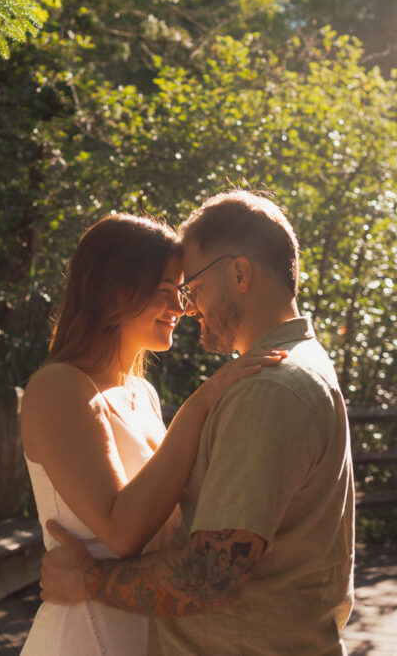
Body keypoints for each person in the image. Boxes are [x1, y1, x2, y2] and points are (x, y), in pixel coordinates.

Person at [39, 191, 356, 655]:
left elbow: (208, 578)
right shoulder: (297, 367)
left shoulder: (267, 389)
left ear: (240, 274)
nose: (187, 307)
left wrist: (87, 578)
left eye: (192, 287)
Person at [19, 213, 285, 655]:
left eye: (180, 292)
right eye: (165, 292)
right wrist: (200, 404)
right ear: (115, 290)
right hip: (87, 635)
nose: (182, 309)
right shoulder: (59, 386)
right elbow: (121, 532)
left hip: (143, 624)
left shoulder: (141, 392)